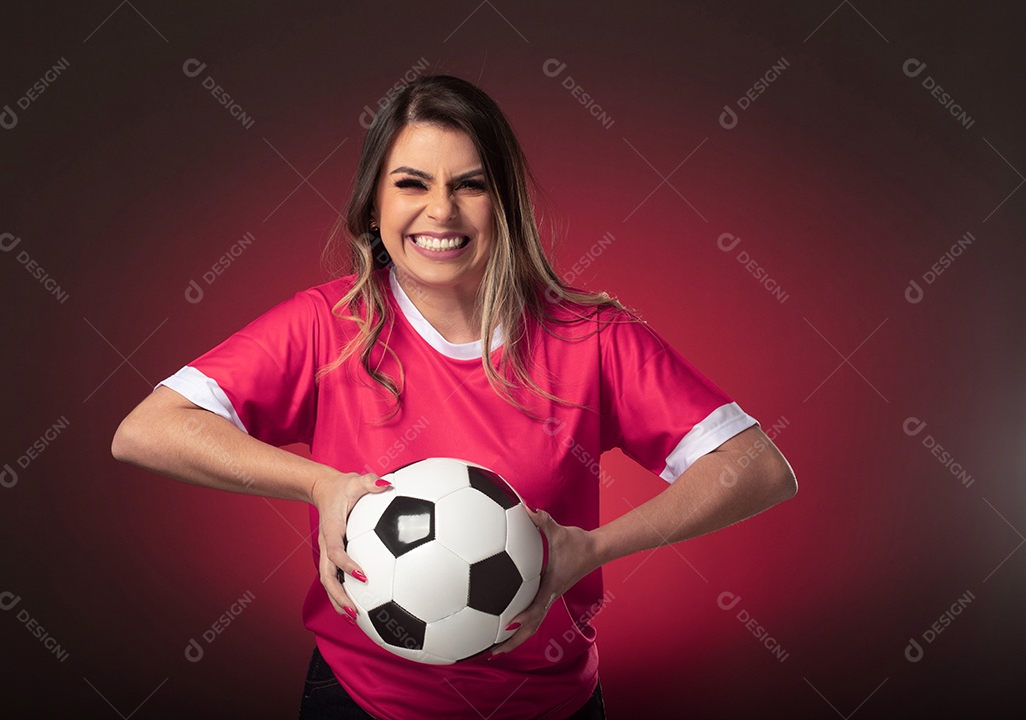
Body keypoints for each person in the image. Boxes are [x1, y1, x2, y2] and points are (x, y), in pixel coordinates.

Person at [112, 74, 796, 719]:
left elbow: (758, 468)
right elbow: (148, 429)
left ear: (505, 203)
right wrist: (319, 485)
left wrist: (594, 548)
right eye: (412, 183)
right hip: (359, 700)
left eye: (470, 185)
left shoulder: (591, 337)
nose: (440, 210)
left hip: (549, 705)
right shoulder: (328, 327)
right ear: (373, 204)